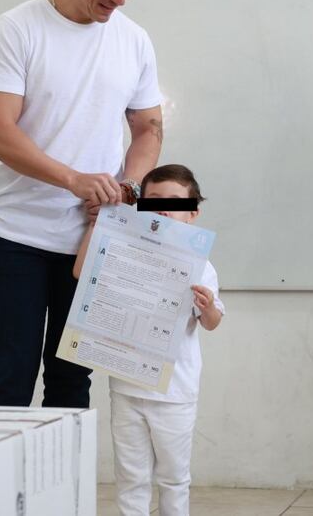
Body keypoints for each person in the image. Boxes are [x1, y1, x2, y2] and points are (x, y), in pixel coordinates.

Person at [0, 0, 164, 408]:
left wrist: (129, 188)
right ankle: (5, 464)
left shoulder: (134, 40)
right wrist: (73, 180)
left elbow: (148, 128)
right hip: (17, 233)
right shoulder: (17, 29)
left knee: (72, 379)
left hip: (94, 236)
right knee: (12, 374)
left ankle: (65, 466)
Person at [73, 165, 224, 516]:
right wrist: (98, 224)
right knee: (131, 477)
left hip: (174, 393)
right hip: (126, 386)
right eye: (153, 200)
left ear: (192, 213)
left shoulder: (201, 266)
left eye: (174, 202)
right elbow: (81, 272)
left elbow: (212, 322)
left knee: (173, 478)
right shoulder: (124, 251)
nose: (162, 209)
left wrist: (207, 307)